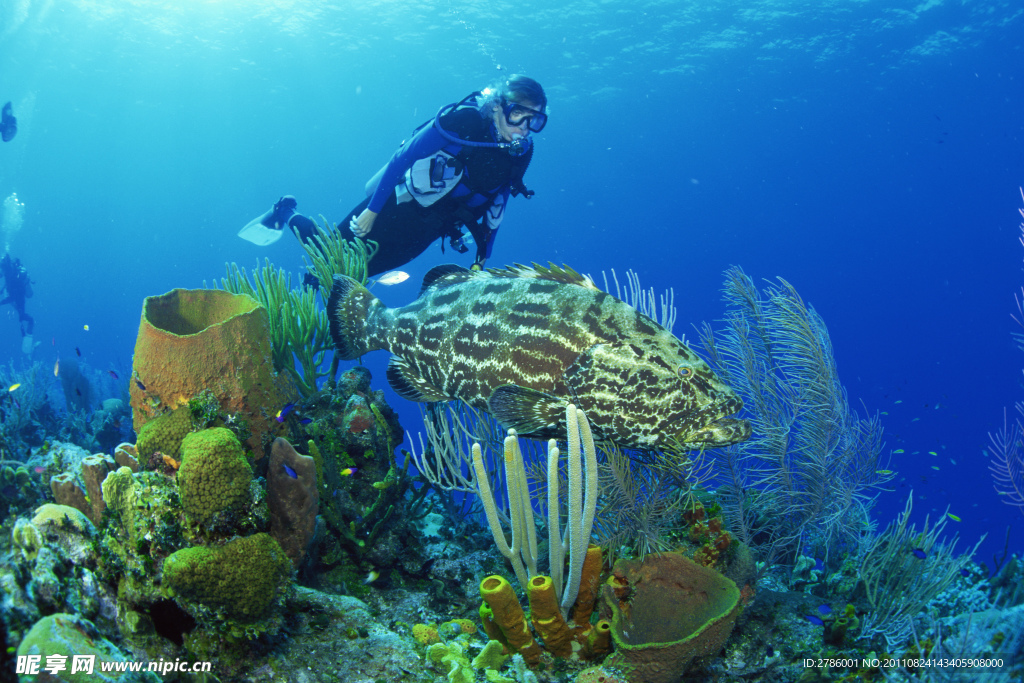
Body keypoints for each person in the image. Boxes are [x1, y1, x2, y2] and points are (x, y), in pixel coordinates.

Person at [249, 75, 547, 276]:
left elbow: (498, 207)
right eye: (518, 114)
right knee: (326, 257)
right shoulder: (463, 122)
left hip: (426, 233)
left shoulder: (520, 154)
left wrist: (483, 256)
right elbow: (402, 159)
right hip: (392, 206)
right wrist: (371, 211)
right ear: (497, 106)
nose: (524, 126)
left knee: (357, 276)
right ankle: (286, 211)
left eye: (535, 119)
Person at [0, 253, 34, 352]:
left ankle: (31, 324)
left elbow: (12, 297)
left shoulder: (13, 275)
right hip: (14, 295)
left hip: (19, 298)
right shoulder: (8, 272)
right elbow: (6, 285)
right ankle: (24, 329)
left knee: (22, 316)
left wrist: (1, 302)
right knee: (20, 316)